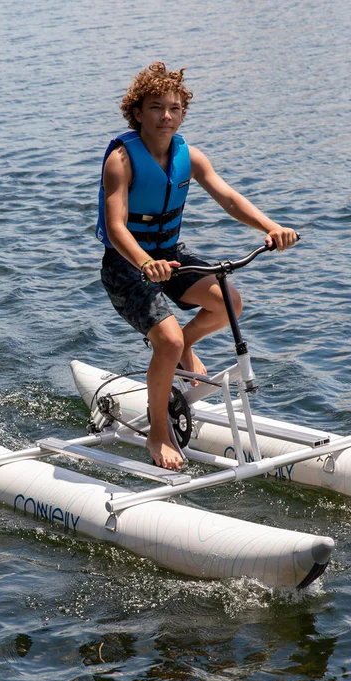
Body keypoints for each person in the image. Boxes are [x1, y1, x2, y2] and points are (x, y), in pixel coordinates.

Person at [96, 62, 298, 470]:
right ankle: (158, 431)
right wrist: (145, 263)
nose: (165, 116)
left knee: (229, 304)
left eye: (174, 108)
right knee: (166, 342)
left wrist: (271, 227)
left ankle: (184, 347)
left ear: (183, 113)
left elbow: (229, 199)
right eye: (155, 108)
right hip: (127, 265)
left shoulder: (191, 157)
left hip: (171, 255)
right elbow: (116, 227)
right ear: (137, 113)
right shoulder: (122, 159)